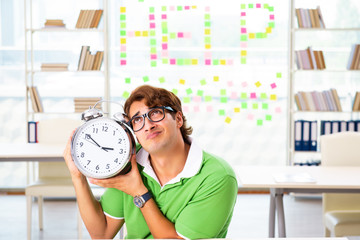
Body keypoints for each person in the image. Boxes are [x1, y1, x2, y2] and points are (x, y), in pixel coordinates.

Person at [63, 85, 238, 239]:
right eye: (137, 119)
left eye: (155, 113)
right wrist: (77, 176)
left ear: (178, 119)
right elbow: (101, 233)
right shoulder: (129, 164)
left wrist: (139, 192)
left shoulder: (217, 176)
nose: (148, 125)